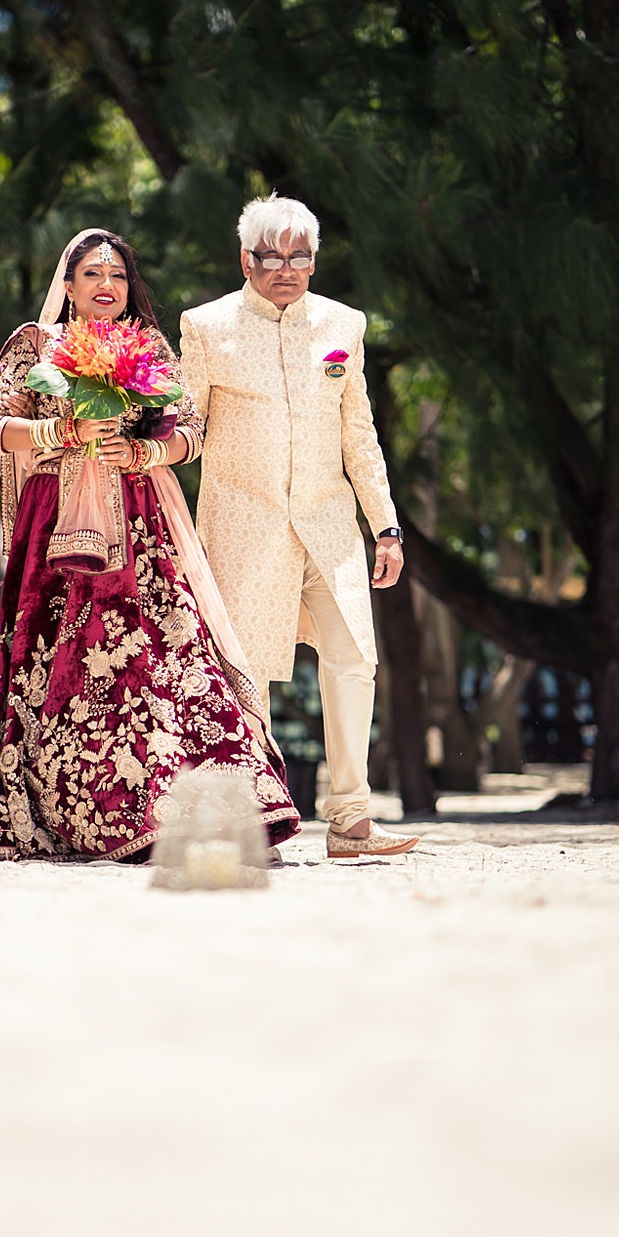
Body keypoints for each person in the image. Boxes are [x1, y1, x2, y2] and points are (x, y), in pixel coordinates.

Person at [0, 228, 301, 862]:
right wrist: (58, 431)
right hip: (57, 530)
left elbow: (192, 430)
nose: (106, 286)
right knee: (66, 664)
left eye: (118, 276)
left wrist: (148, 449)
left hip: (141, 524)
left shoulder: (147, 346)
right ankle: (92, 817)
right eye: (93, 274)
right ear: (67, 285)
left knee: (168, 658)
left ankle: (205, 811)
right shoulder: (36, 346)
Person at [179, 194, 419, 859]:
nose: (286, 268)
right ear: (245, 260)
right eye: (270, 256)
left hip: (330, 522)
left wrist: (387, 527)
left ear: (314, 259)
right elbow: (188, 429)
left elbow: (359, 434)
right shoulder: (206, 326)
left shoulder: (345, 324)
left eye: (299, 256)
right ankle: (256, 820)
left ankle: (351, 820)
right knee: (245, 670)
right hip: (241, 521)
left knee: (353, 659)